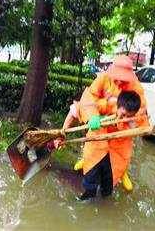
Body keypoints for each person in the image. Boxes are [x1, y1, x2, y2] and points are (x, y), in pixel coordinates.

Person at [63, 55, 149, 191]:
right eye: (117, 78)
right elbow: (90, 98)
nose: (120, 82)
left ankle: (122, 172)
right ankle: (87, 161)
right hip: (100, 121)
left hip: (120, 128)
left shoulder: (135, 86)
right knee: (93, 149)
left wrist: (124, 114)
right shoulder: (103, 78)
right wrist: (93, 116)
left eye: (123, 79)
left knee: (118, 159)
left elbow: (141, 108)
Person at [63, 90, 142, 200]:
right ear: (118, 106)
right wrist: (63, 131)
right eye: (123, 115)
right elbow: (78, 109)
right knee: (90, 184)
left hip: (114, 154)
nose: (124, 118)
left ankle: (108, 194)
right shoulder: (104, 104)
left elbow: (138, 130)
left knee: (108, 188)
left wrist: (132, 124)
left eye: (128, 116)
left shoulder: (133, 117)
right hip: (96, 148)